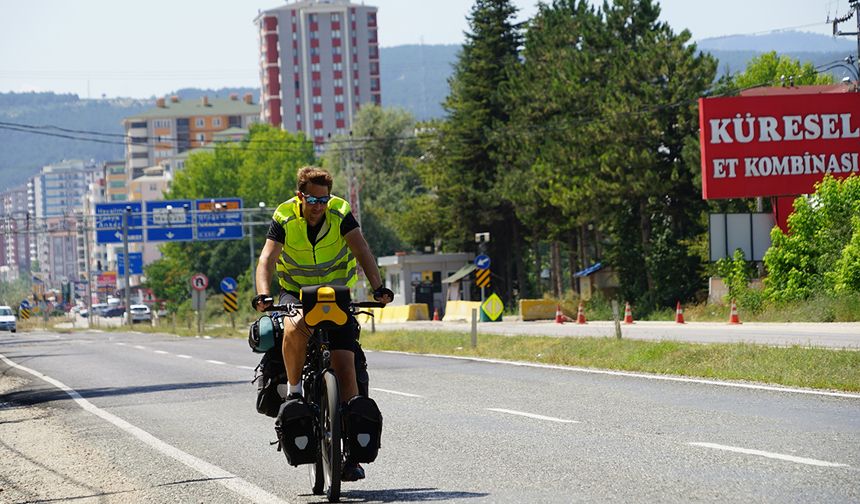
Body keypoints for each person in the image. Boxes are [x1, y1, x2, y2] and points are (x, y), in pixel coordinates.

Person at [252, 166, 392, 481]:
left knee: (346, 363)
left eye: (324, 199)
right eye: (313, 200)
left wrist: (378, 286)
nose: (319, 206)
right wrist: (263, 294)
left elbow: (362, 250)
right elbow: (267, 260)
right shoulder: (285, 216)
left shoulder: (341, 212)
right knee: (294, 326)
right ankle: (294, 392)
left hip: (337, 296)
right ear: (300, 196)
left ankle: (351, 455)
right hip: (296, 293)